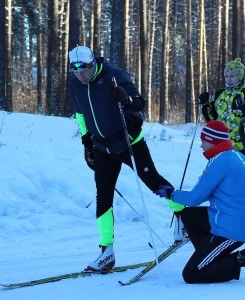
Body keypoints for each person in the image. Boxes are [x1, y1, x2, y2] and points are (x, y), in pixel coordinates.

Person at [68, 45, 186, 272]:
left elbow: (139, 103)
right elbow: (81, 114)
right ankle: (106, 252)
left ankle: (183, 215)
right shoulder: (76, 84)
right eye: (75, 71)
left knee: (153, 181)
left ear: (93, 64)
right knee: (103, 197)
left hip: (129, 141)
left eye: (84, 70)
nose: (80, 75)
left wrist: (127, 101)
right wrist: (87, 143)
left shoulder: (114, 76)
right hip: (103, 148)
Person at [155, 120, 245, 284]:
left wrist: (171, 193)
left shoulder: (220, 162)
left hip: (230, 230)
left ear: (212, 141)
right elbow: (205, 193)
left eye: (203, 141)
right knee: (189, 216)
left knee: (191, 274)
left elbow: (194, 198)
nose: (201, 145)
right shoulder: (235, 156)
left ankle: (243, 259)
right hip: (236, 219)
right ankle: (210, 256)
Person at [198, 58, 245, 163]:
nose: (229, 79)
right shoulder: (220, 94)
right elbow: (212, 119)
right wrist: (205, 104)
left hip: (241, 144)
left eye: (232, 76)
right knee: (221, 176)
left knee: (239, 176)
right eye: (226, 76)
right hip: (220, 144)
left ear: (240, 77)